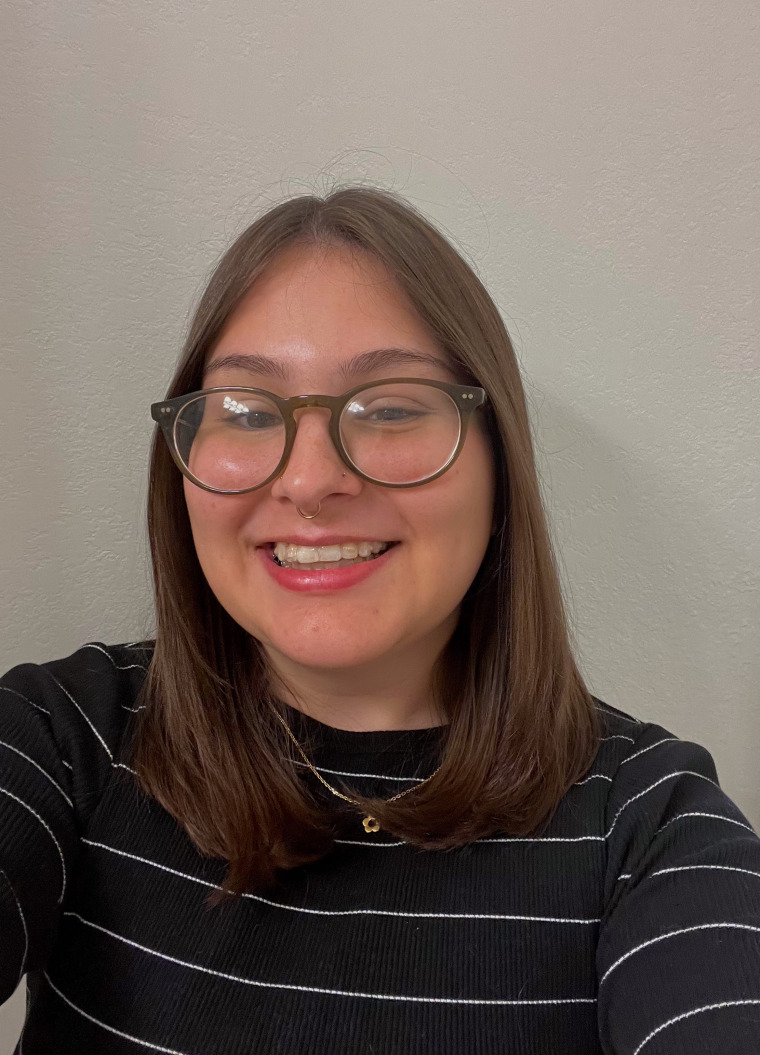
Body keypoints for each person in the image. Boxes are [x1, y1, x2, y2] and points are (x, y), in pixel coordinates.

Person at [1, 187, 758, 1055]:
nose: (310, 480)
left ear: (497, 459)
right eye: (248, 412)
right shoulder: (64, 740)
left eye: (392, 407)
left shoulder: (649, 827)